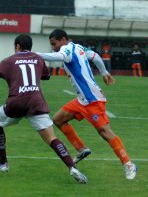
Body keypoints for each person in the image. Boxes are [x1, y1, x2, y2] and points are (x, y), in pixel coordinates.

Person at [0, 34, 87, 184]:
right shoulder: (38, 58)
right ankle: (72, 167)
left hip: (16, 102)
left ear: (17, 46)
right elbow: (46, 76)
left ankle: (3, 163)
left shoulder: (8, 60)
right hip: (36, 103)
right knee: (51, 138)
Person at [36, 29, 137, 180]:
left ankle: (128, 163)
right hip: (81, 100)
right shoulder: (79, 47)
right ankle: (81, 149)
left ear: (63, 39)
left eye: (54, 44)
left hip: (92, 99)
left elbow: (60, 56)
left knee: (105, 132)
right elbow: (95, 57)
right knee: (58, 120)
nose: (53, 47)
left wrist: (34, 55)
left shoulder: (67, 48)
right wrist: (104, 72)